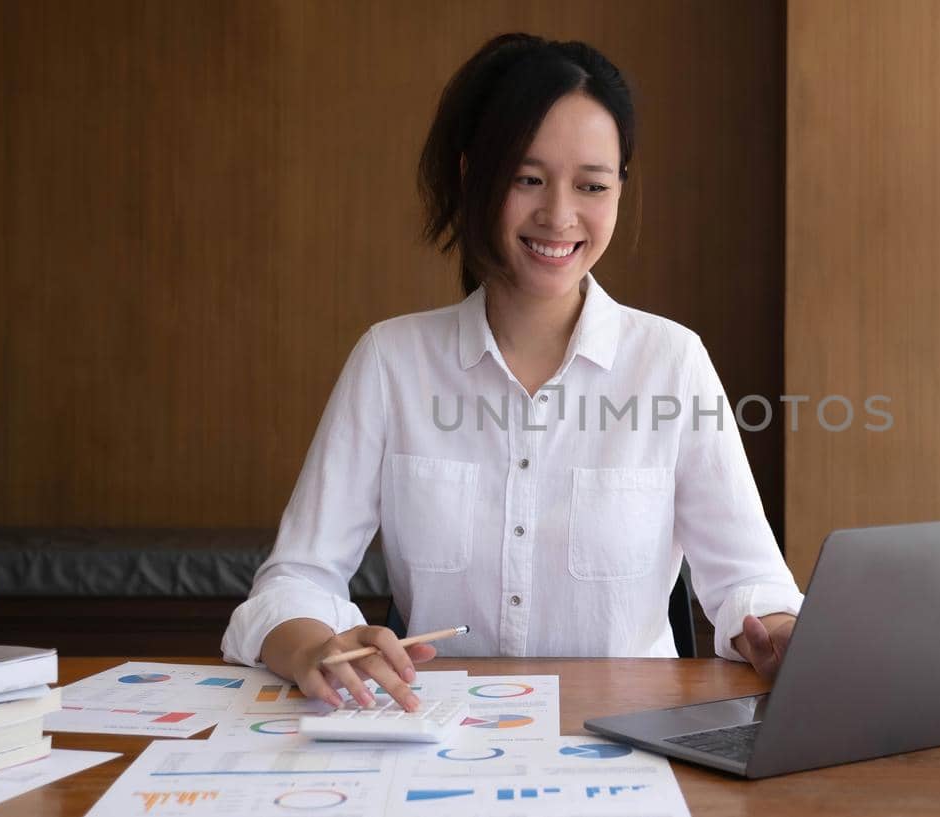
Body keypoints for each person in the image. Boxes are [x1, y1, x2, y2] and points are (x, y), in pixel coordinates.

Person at [221, 33, 803, 713]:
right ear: (475, 176)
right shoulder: (392, 361)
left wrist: (781, 633)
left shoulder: (671, 362)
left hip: (631, 741)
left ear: (619, 189)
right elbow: (296, 579)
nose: (559, 215)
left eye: (591, 184)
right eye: (528, 179)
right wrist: (312, 644)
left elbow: (752, 582)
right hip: (440, 735)